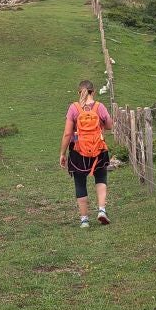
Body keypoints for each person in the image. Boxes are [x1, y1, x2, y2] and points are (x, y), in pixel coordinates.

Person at [59, 79, 112, 228]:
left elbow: (67, 133)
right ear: (93, 92)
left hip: (78, 152)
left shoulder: (74, 108)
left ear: (79, 92)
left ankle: (84, 220)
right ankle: (101, 210)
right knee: (101, 178)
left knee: (80, 183)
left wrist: (62, 153)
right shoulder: (99, 107)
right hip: (99, 150)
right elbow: (109, 125)